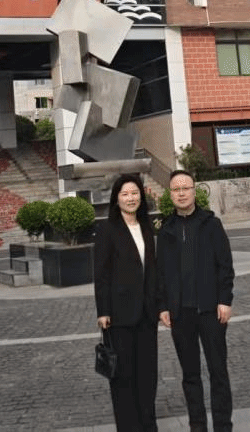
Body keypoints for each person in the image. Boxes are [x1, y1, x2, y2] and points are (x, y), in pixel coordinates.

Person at [157, 170, 234, 432]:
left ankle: (223, 425)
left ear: (194, 191)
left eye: (185, 188)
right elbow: (161, 272)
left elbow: (225, 265)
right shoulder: (166, 229)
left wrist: (225, 299)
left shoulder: (211, 224)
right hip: (181, 313)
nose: (181, 193)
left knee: (218, 371)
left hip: (211, 310)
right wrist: (163, 306)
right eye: (176, 189)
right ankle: (197, 425)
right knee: (190, 375)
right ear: (170, 194)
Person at [94, 174, 159, 432]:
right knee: (123, 376)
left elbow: (152, 270)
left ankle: (148, 425)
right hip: (119, 315)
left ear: (141, 196)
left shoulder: (147, 226)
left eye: (134, 193)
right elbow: (101, 273)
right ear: (117, 199)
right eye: (125, 194)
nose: (131, 198)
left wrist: (159, 305)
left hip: (147, 314)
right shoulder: (107, 229)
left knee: (147, 374)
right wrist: (103, 311)